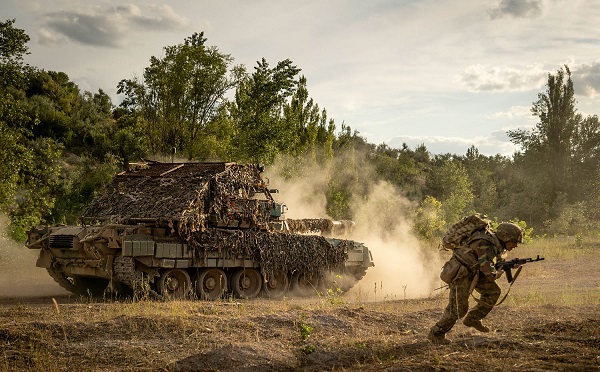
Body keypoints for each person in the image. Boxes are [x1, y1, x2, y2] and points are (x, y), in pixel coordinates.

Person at [428, 222, 524, 345]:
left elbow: (491, 263)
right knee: (458, 309)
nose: (515, 245)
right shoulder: (486, 243)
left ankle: (472, 318)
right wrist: (497, 273)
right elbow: (489, 271)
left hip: (475, 272)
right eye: (514, 241)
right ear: (505, 237)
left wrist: (507, 265)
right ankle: (436, 333)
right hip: (462, 274)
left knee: (493, 292)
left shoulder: (495, 244)